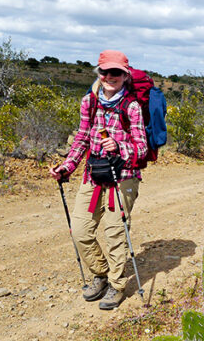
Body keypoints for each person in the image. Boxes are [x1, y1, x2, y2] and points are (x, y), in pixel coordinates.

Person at [50, 50, 147, 310]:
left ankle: (116, 285)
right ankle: (101, 273)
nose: (109, 77)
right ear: (98, 72)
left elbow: (142, 148)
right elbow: (81, 138)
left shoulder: (132, 106)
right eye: (105, 71)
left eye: (116, 72)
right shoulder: (89, 102)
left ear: (125, 76)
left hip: (123, 176)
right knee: (80, 230)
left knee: (115, 233)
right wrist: (66, 167)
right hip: (94, 174)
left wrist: (119, 146)